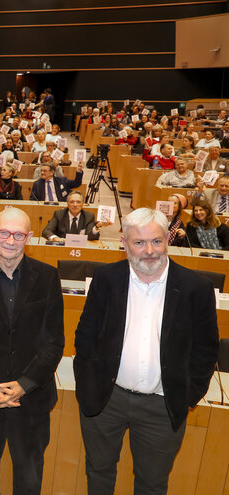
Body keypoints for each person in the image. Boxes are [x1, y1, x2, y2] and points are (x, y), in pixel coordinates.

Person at [73, 207, 219, 494]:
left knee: (152, 484)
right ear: (125, 244)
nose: (149, 250)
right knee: (98, 474)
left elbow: (205, 349)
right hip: (106, 399)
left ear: (168, 239)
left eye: (156, 241)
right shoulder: (106, 278)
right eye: (139, 243)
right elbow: (85, 335)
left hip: (161, 406)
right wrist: (88, 381)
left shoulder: (196, 287)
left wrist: (189, 394)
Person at [0, 207, 64, 495]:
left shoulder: (47, 277)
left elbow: (54, 341)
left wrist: (24, 386)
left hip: (31, 401)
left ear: (28, 237)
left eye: (18, 235)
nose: (10, 240)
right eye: (4, 233)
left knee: (29, 480)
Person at [42, 191, 111, 241]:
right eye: (72, 202)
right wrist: (55, 238)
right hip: (62, 248)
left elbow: (90, 237)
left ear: (83, 204)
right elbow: (46, 231)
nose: (75, 205)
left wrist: (97, 226)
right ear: (67, 204)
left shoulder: (89, 216)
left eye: (78, 202)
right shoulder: (59, 214)